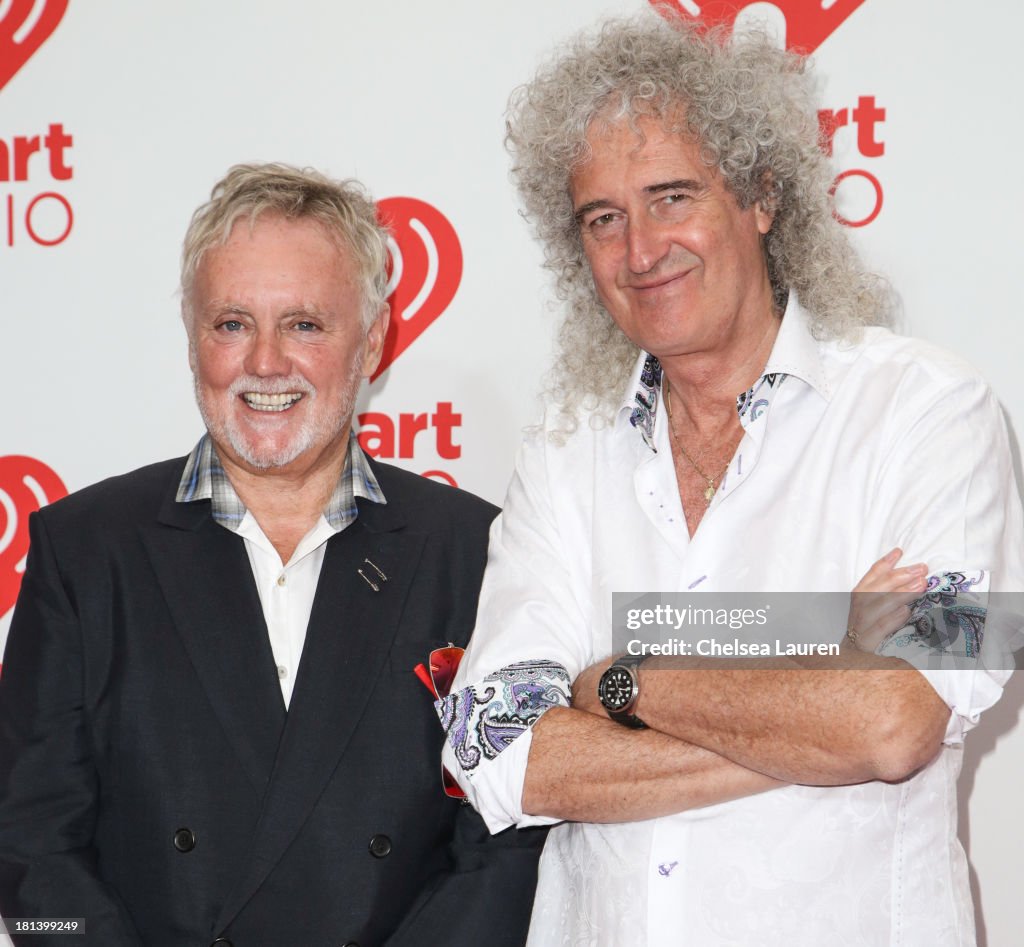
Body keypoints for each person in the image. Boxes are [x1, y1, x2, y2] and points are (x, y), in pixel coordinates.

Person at [437, 13, 1023, 947]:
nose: (640, 250)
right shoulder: (562, 449)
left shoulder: (933, 413)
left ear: (759, 194)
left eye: (672, 196)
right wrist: (825, 660)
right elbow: (500, 752)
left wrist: (621, 678)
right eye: (604, 218)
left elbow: (894, 721)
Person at [0, 163, 545, 946]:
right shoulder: (84, 552)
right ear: (193, 342)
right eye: (231, 323)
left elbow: (508, 841)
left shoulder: (474, 551)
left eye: (304, 325)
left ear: (371, 343)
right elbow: (30, 852)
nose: (264, 362)